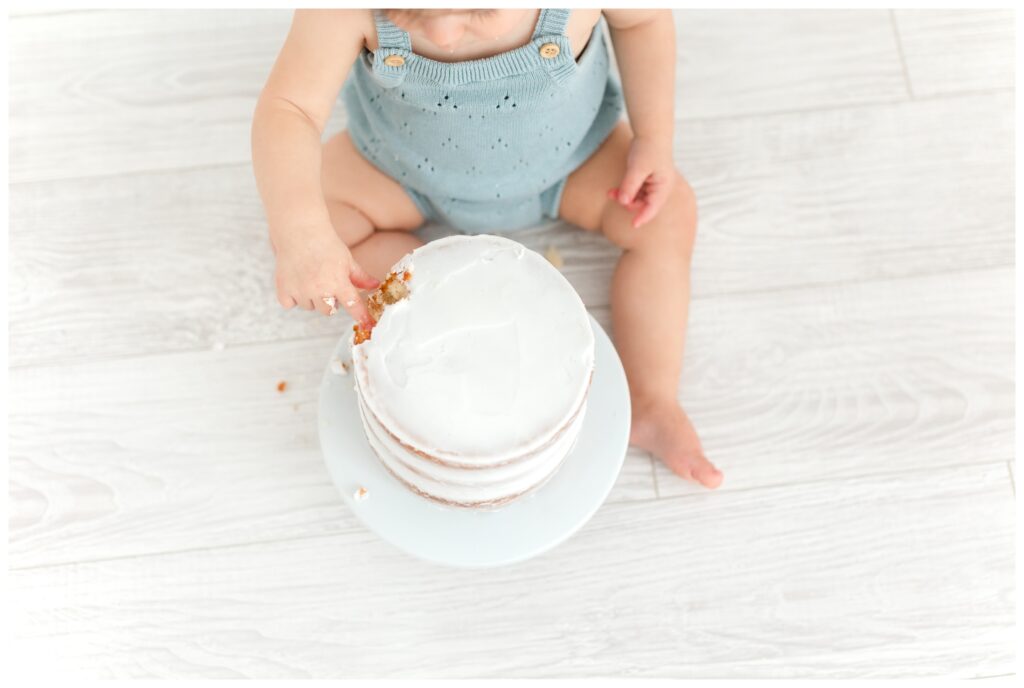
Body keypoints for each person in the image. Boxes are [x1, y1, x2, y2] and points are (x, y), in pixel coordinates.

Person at [251, 8, 723, 488]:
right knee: (305, 222)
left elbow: (641, 22)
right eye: (408, 8)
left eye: (478, 9)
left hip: (574, 162)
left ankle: (652, 400)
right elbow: (290, 108)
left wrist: (653, 138)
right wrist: (302, 232)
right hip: (401, 172)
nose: (442, 33)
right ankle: (434, 295)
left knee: (667, 215)